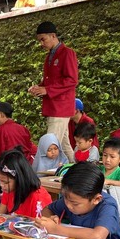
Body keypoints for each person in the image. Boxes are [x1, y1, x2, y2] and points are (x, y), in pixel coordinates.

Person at [28, 21, 78, 162]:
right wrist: (39, 87)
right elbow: (51, 81)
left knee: (49, 145)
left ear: (53, 36)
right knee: (63, 144)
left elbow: (72, 80)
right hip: (54, 106)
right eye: (39, 40)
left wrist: (46, 89)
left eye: (43, 39)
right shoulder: (49, 56)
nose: (41, 43)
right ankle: (78, 170)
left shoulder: (67, 53)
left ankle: (43, 175)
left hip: (61, 107)